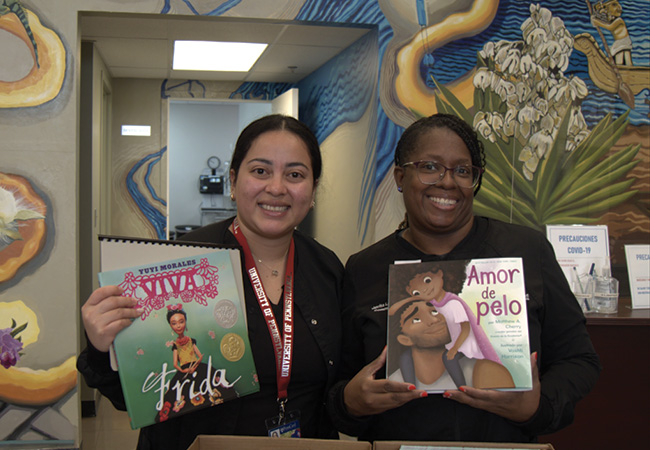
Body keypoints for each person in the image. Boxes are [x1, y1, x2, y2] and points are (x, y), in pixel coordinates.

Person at [327, 113, 601, 442]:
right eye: (429, 166)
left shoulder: (526, 250)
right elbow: (337, 386)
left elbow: (579, 359)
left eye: (462, 170)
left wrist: (538, 408)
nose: (447, 182)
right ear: (401, 176)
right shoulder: (365, 269)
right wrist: (352, 403)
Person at [77, 114, 344, 450]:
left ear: (312, 188)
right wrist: (104, 348)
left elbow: (338, 385)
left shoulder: (328, 268)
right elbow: (134, 396)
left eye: (295, 174)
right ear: (233, 181)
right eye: (260, 171)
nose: (276, 188)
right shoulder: (180, 263)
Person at [387, 298, 513, 391]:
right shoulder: (395, 382)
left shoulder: (486, 371)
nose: (435, 320)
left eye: (434, 312)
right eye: (416, 319)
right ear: (405, 340)